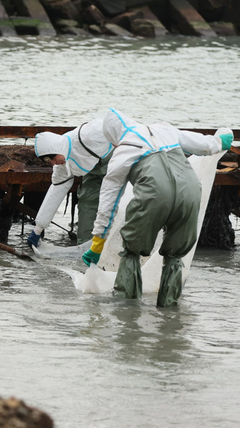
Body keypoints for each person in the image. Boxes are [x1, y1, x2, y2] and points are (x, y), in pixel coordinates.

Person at [82, 108, 233, 307]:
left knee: (132, 252)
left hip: (153, 196)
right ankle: (169, 314)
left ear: (114, 135)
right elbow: (207, 145)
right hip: (190, 192)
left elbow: (108, 202)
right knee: (175, 255)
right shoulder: (165, 129)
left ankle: (127, 313)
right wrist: (224, 138)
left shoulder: (123, 150)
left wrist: (98, 241)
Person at [28, 119, 113, 248]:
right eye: (48, 161)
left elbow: (120, 128)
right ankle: (85, 247)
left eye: (52, 158)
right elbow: (54, 194)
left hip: (118, 162)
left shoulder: (89, 133)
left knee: (118, 203)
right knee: (87, 202)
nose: (53, 163)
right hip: (95, 171)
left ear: (58, 148)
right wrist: (37, 230)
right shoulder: (61, 167)